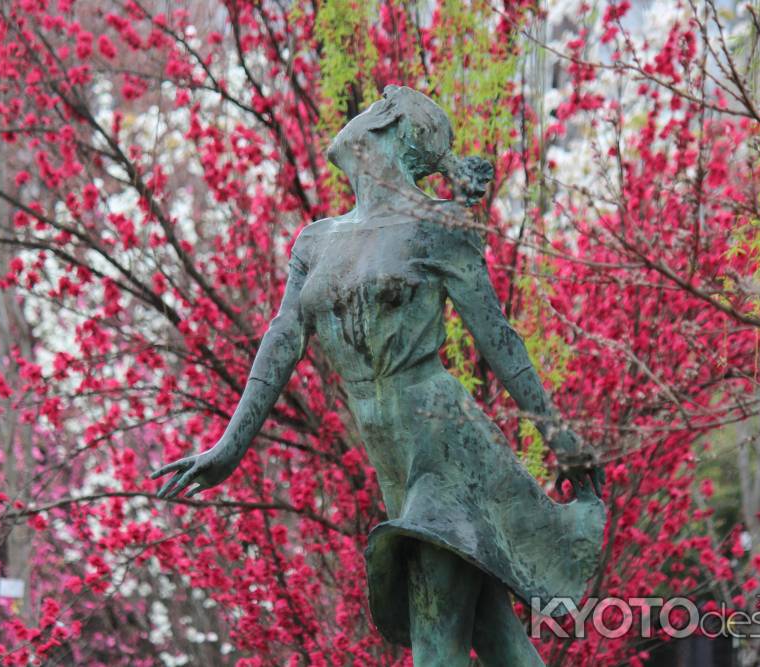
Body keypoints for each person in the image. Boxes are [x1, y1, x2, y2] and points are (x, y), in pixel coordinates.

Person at [152, 85, 606, 666]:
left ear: (388, 123)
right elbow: (283, 336)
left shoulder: (437, 226)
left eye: (368, 108)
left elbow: (499, 340)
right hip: (395, 460)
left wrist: (561, 441)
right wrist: (228, 447)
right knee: (497, 640)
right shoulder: (316, 240)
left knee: (434, 641)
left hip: (447, 453)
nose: (352, 117)